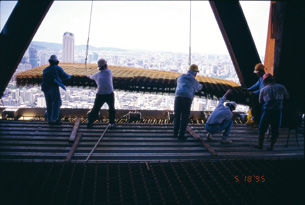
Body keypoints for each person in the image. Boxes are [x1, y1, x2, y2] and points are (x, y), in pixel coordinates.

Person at [254, 73, 289, 151]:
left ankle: (260, 145)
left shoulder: (263, 90)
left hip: (267, 111)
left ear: (265, 81)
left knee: (262, 129)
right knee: (275, 130)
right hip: (278, 112)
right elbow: (287, 96)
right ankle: (271, 147)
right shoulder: (281, 87)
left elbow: (260, 101)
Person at [174, 64, 203, 140]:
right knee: (184, 117)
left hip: (178, 97)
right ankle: (181, 136)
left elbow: (178, 83)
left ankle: (175, 133)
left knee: (177, 115)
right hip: (187, 98)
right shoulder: (194, 80)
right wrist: (201, 85)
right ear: (195, 73)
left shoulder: (180, 77)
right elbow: (199, 88)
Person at [41, 55, 71, 125]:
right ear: (57, 62)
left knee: (49, 104)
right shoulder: (57, 68)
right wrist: (70, 76)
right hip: (53, 87)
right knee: (56, 103)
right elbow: (65, 76)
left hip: (45, 88)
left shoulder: (45, 69)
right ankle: (54, 120)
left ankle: (49, 119)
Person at [87, 59, 116, 128]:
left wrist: (88, 75)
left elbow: (90, 77)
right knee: (111, 108)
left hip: (100, 94)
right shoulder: (109, 72)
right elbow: (112, 77)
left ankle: (90, 122)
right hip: (109, 93)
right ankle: (112, 123)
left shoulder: (96, 75)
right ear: (106, 66)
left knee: (96, 109)